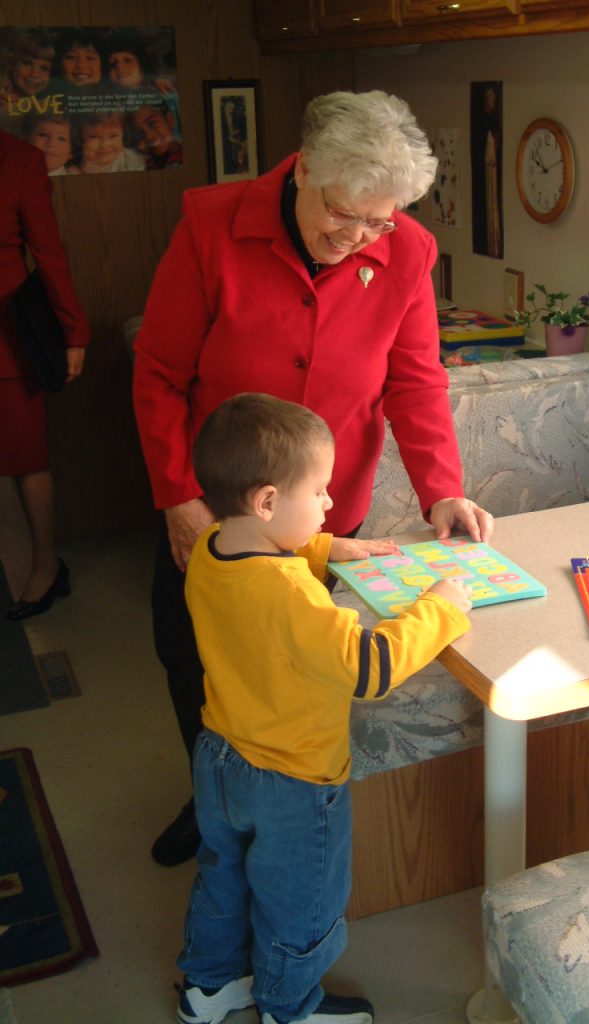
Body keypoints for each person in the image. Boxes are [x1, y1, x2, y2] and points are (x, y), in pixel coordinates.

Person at [132, 89, 494, 867]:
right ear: (302, 174)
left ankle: (283, 812)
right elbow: (158, 373)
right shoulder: (212, 224)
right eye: (343, 213)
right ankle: (213, 800)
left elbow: (416, 381)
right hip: (213, 506)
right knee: (192, 657)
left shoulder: (409, 252)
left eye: (379, 220)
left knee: (299, 671)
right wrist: (176, 498)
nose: (359, 237)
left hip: (324, 514)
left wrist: (443, 489)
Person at [175, 392, 472, 1024]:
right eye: (319, 493)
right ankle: (291, 1006)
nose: (330, 504)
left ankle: (207, 988)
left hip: (219, 757)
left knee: (222, 878)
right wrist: (440, 606)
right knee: (301, 902)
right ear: (267, 502)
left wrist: (323, 547)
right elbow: (369, 668)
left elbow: (254, 559)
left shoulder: (208, 549)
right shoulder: (291, 597)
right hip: (294, 778)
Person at [0, 130, 89, 619]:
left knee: (28, 459)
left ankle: (44, 567)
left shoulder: (19, 161)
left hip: (8, 342)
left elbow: (48, 253)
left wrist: (74, 333)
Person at [67, 109, 145, 174]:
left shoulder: (133, 160)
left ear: (123, 134)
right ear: (80, 137)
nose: (104, 144)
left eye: (113, 136)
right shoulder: (75, 169)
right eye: (94, 137)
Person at [129, 101, 182, 170]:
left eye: (152, 123)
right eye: (138, 134)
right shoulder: (140, 163)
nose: (148, 136)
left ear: (170, 119)